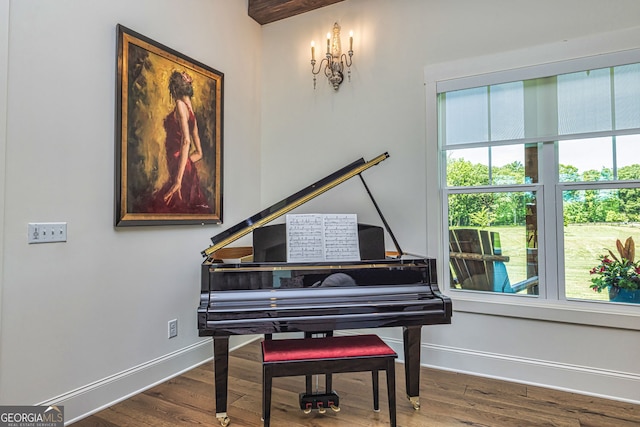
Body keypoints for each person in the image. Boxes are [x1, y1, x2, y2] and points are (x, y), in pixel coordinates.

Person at [150, 71, 211, 214]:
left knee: (168, 206)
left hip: (179, 166)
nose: (189, 78)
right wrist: (187, 164)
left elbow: (186, 141)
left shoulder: (179, 104)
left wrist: (178, 179)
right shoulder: (191, 111)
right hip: (183, 166)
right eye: (186, 77)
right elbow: (199, 153)